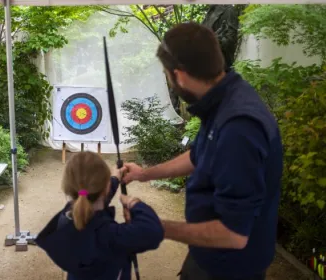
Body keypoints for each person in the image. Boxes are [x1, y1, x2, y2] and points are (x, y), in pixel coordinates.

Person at [121, 22, 283, 280]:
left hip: (231, 267)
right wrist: (144, 174)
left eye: (167, 75)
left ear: (181, 75)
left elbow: (234, 235)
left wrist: (156, 228)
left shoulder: (239, 128)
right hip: (207, 253)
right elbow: (200, 155)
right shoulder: (224, 95)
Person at [35, 152, 164, 280]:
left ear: (68, 187)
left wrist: (114, 179)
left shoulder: (66, 219)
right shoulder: (111, 236)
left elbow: (91, 197)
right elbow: (153, 231)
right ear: (105, 188)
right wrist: (134, 203)